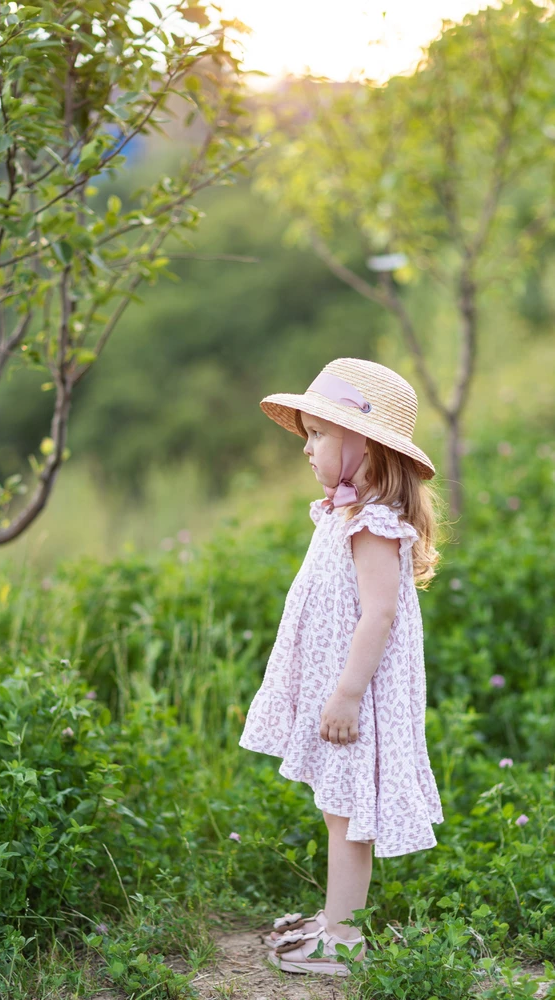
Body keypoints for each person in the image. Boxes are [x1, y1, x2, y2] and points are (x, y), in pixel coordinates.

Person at [238, 357, 445, 977]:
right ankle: (334, 922)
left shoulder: (375, 523)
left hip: (361, 691)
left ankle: (345, 940)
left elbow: (378, 615)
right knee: (337, 807)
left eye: (320, 434)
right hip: (338, 681)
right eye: (307, 433)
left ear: (368, 450)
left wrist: (348, 694)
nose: (307, 447)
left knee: (348, 812)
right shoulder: (340, 513)